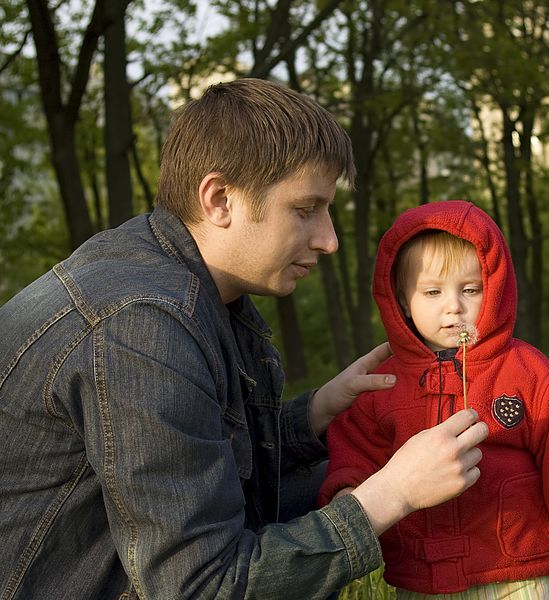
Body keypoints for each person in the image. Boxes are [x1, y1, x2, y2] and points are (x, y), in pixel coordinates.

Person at [0, 78, 487, 600]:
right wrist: (393, 494)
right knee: (372, 479)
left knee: (347, 464)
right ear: (220, 199)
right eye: (305, 209)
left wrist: (316, 413)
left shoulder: (193, 284)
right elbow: (202, 586)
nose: (329, 240)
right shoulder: (141, 325)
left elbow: (200, 459)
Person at [318, 201, 549, 598]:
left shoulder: (524, 370)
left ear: (494, 288)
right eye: (432, 291)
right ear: (401, 299)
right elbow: (355, 446)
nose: (454, 306)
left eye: (470, 289)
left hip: (515, 565)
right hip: (422, 569)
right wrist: (348, 491)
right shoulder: (386, 382)